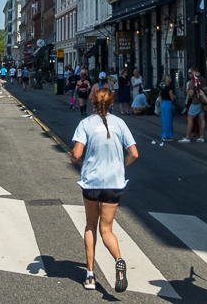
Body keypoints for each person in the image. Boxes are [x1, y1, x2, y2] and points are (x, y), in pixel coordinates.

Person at [71, 87, 138, 292]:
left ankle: (90, 275)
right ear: (111, 103)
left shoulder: (86, 124)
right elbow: (134, 153)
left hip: (92, 183)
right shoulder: (120, 123)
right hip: (114, 183)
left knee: (91, 225)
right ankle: (118, 260)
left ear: (92, 102)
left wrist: (76, 160)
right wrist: (120, 165)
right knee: (107, 229)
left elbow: (77, 152)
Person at [180, 68, 207, 143]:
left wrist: (190, 90)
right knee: (202, 119)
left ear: (194, 71)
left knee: (190, 118)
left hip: (196, 101)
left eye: (191, 72)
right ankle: (202, 136)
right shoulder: (203, 79)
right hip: (203, 101)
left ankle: (187, 137)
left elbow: (191, 94)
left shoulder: (194, 81)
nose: (190, 74)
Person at [160, 74, 176, 141]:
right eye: (170, 78)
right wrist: (174, 96)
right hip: (168, 104)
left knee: (164, 120)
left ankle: (163, 134)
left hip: (163, 103)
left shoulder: (162, 87)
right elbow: (172, 98)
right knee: (168, 120)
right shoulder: (169, 88)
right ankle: (167, 135)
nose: (171, 79)